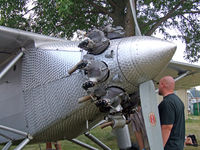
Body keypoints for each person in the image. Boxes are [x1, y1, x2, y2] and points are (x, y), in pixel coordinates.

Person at [158, 76, 185, 150]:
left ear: (163, 85)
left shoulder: (167, 103)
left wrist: (160, 147)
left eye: (159, 84)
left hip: (170, 146)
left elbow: (167, 127)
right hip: (178, 145)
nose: (158, 87)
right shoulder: (178, 101)